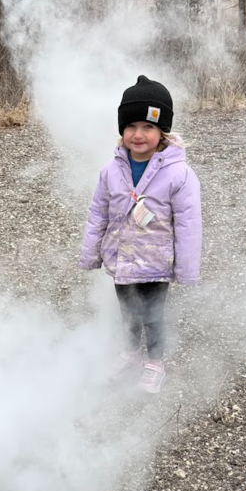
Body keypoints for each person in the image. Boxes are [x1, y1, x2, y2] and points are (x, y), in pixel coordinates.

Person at [79, 75, 202, 394]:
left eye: (148, 126)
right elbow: (98, 213)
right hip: (122, 260)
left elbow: (189, 224)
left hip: (157, 263)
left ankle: (155, 363)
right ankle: (132, 355)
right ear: (122, 130)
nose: (138, 134)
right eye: (131, 126)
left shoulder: (179, 173)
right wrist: (91, 253)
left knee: (153, 316)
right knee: (128, 312)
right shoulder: (110, 170)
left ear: (163, 131)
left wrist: (186, 269)